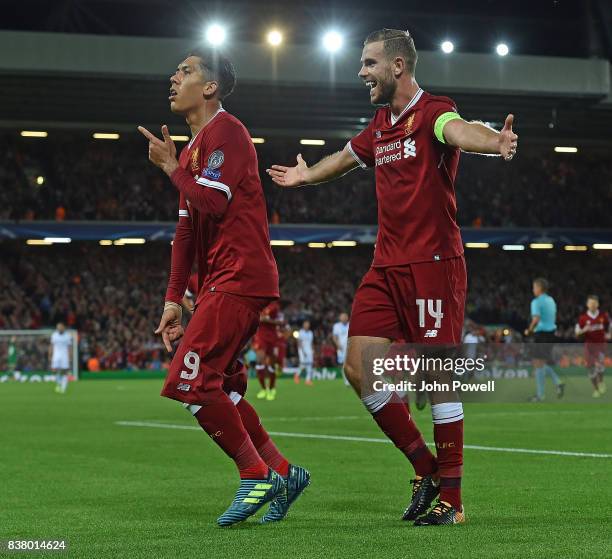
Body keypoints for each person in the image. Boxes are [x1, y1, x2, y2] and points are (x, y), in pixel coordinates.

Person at [267, 28, 518, 525]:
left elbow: (460, 130)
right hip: (386, 266)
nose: (361, 72)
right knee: (358, 368)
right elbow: (343, 159)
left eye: (369, 63)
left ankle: (454, 501)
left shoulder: (432, 111)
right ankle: (427, 469)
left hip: (432, 265)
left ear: (398, 66)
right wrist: (305, 175)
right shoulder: (380, 125)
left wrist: (495, 141)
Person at [138, 48, 309, 526]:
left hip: (240, 277)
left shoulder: (227, 134)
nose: (174, 76)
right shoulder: (194, 150)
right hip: (221, 281)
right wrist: (174, 300)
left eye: (185, 70)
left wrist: (171, 170)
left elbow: (211, 206)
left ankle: (254, 476)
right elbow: (187, 232)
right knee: (223, 390)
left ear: (210, 87)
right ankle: (283, 472)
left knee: (189, 382)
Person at [524, 278, 564, 401]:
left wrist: (529, 330)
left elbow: (536, 319)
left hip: (541, 334)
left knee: (538, 363)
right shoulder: (551, 300)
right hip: (551, 334)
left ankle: (540, 395)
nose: (533, 290)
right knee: (540, 363)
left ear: (539, 288)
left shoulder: (536, 302)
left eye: (534, 287)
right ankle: (557, 383)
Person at [575, 295, 610, 397]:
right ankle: (596, 389)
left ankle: (601, 382)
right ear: (587, 305)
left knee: (600, 365)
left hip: (601, 345)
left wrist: (609, 334)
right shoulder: (582, 318)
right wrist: (583, 330)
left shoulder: (603, 315)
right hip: (589, 346)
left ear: (598, 304)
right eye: (590, 303)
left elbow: (610, 325)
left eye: (594, 303)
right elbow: (577, 333)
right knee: (590, 368)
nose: (592, 305)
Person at [252, 301, 283, 400]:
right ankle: (263, 389)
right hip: (261, 337)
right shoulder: (258, 304)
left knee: (272, 365)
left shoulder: (275, 306)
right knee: (259, 360)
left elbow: (280, 322)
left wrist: (267, 320)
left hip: (273, 338)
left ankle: (271, 388)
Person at [49, 323, 72, 394]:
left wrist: (70, 356)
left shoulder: (67, 336)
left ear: (63, 328)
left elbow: (69, 347)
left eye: (61, 327)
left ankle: (64, 386)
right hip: (56, 355)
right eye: (58, 327)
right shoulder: (54, 335)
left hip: (64, 355)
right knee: (54, 370)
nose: (59, 328)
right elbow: (51, 345)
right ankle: (59, 383)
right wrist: (50, 354)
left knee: (65, 371)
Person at [332, 312, 350, 385]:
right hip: (341, 348)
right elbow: (334, 337)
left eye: (345, 317)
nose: (344, 318)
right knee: (343, 364)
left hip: (350, 347)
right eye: (342, 317)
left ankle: (351, 379)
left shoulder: (350, 324)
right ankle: (346, 380)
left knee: (351, 364)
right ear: (340, 318)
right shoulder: (336, 326)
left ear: (347, 318)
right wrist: (337, 345)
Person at [297, 320, 315, 385]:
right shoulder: (301, 332)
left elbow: (311, 342)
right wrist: (302, 351)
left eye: (308, 324)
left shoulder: (311, 333)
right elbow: (299, 342)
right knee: (303, 364)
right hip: (302, 350)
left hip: (309, 350)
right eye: (306, 324)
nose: (307, 326)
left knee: (310, 364)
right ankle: (297, 375)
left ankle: (307, 380)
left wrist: (313, 350)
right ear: (303, 325)